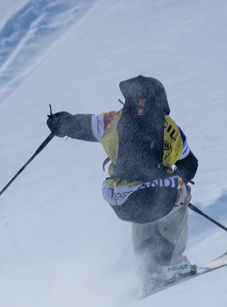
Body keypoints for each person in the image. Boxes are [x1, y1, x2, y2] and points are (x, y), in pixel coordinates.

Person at [46, 76, 199, 291]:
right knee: (181, 192)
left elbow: (83, 126)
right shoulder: (170, 129)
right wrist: (173, 176)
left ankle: (147, 268)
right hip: (157, 200)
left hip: (122, 203)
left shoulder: (114, 121)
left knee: (137, 194)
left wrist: (61, 123)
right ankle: (171, 265)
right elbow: (190, 165)